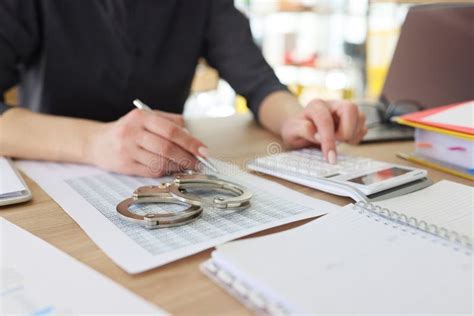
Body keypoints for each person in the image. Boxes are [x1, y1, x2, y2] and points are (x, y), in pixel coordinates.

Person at [0, 0, 366, 177]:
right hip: (52, 179)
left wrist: (295, 119)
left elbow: (257, 81)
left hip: (166, 178)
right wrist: (94, 142)